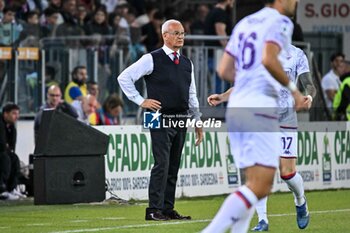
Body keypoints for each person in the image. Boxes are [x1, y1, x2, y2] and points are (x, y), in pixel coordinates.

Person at [201, 0, 306, 232]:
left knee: (253, 183)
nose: (296, 2)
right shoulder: (280, 21)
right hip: (261, 108)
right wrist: (294, 91)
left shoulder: (244, 23)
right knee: (260, 185)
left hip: (238, 109)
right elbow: (269, 59)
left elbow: (224, 70)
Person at [118, 19, 203, 221]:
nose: (181, 36)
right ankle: (153, 209)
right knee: (162, 163)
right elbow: (124, 77)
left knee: (173, 164)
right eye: (176, 33)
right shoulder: (151, 59)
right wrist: (140, 100)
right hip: (157, 116)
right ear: (165, 35)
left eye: (182, 33)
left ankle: (167, 208)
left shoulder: (186, 63)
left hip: (180, 117)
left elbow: (191, 94)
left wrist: (197, 120)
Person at [0, 103, 25, 200]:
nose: (17, 116)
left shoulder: (11, 127)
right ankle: (1, 190)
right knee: (5, 159)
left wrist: (6, 146)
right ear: (5, 114)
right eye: (14, 113)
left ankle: (11, 188)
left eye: (18, 114)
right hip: (1, 153)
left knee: (14, 158)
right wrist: (6, 146)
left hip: (3, 152)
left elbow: (11, 146)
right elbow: (2, 144)